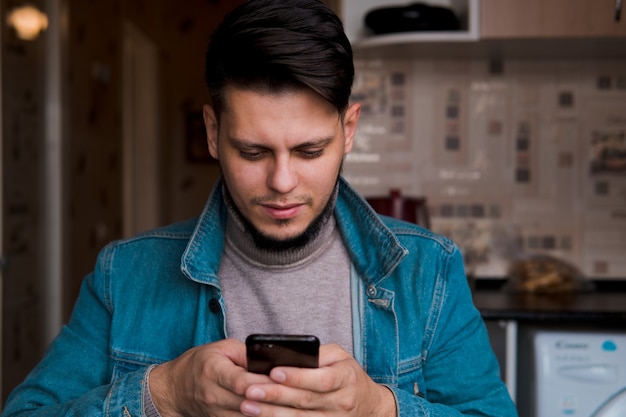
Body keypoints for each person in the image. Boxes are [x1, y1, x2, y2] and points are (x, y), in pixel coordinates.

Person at [2, 0, 518, 416]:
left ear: (349, 131)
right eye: (253, 152)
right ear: (211, 133)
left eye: (310, 151)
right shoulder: (125, 275)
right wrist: (161, 395)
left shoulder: (429, 272)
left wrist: (378, 407)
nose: (282, 183)